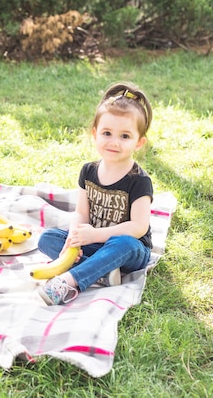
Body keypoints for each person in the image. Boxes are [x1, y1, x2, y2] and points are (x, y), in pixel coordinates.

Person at [37, 82, 154, 305]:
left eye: (125, 136)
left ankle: (69, 281)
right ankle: (103, 272)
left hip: (129, 250)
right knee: (47, 239)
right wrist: (74, 239)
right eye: (107, 133)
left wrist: (94, 236)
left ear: (139, 142)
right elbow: (81, 213)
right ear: (95, 133)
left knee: (124, 244)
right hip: (95, 242)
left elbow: (138, 227)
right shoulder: (88, 171)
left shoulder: (139, 180)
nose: (114, 142)